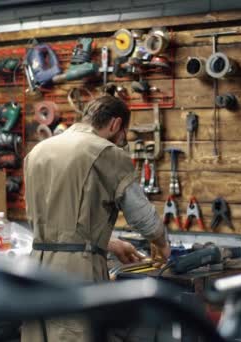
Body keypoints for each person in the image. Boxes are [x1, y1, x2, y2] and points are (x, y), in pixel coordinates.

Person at [21, 95, 171, 342]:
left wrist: (108, 243)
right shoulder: (106, 152)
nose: (122, 142)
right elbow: (142, 216)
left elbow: (56, 223)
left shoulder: (38, 150)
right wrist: (162, 242)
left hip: (37, 267)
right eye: (123, 134)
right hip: (76, 273)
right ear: (115, 124)